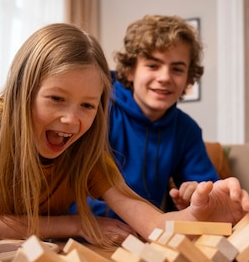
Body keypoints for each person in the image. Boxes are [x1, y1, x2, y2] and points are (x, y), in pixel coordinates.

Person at [0, 23, 249, 247]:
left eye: (88, 105)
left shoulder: (85, 144)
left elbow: (151, 221)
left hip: (24, 250)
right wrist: (80, 224)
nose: (71, 120)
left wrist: (197, 218)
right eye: (56, 99)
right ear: (23, 90)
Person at [83, 15, 221, 220]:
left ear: (188, 79)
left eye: (177, 69)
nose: (164, 77)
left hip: (147, 234)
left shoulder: (185, 129)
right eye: (153, 65)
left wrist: (198, 192)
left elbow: (210, 191)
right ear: (130, 70)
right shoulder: (96, 108)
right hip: (87, 230)